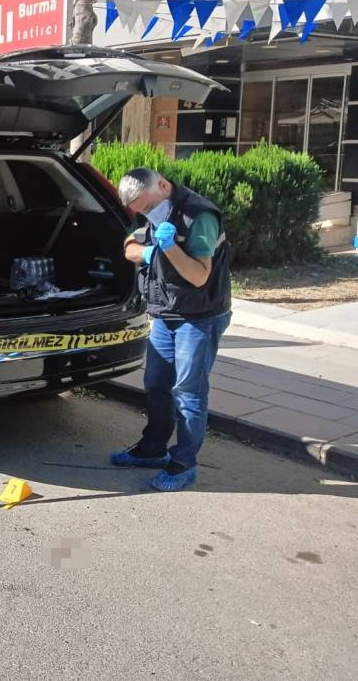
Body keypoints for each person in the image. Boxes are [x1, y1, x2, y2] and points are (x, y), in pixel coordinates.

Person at [110, 167, 232, 492]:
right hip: (166, 313)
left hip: (200, 316)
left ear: (163, 186)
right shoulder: (145, 208)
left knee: (189, 392)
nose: (146, 215)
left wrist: (170, 249)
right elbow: (129, 247)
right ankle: (153, 449)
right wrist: (148, 251)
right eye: (140, 212)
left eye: (149, 207)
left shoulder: (199, 216)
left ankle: (183, 463)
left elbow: (199, 276)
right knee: (156, 384)